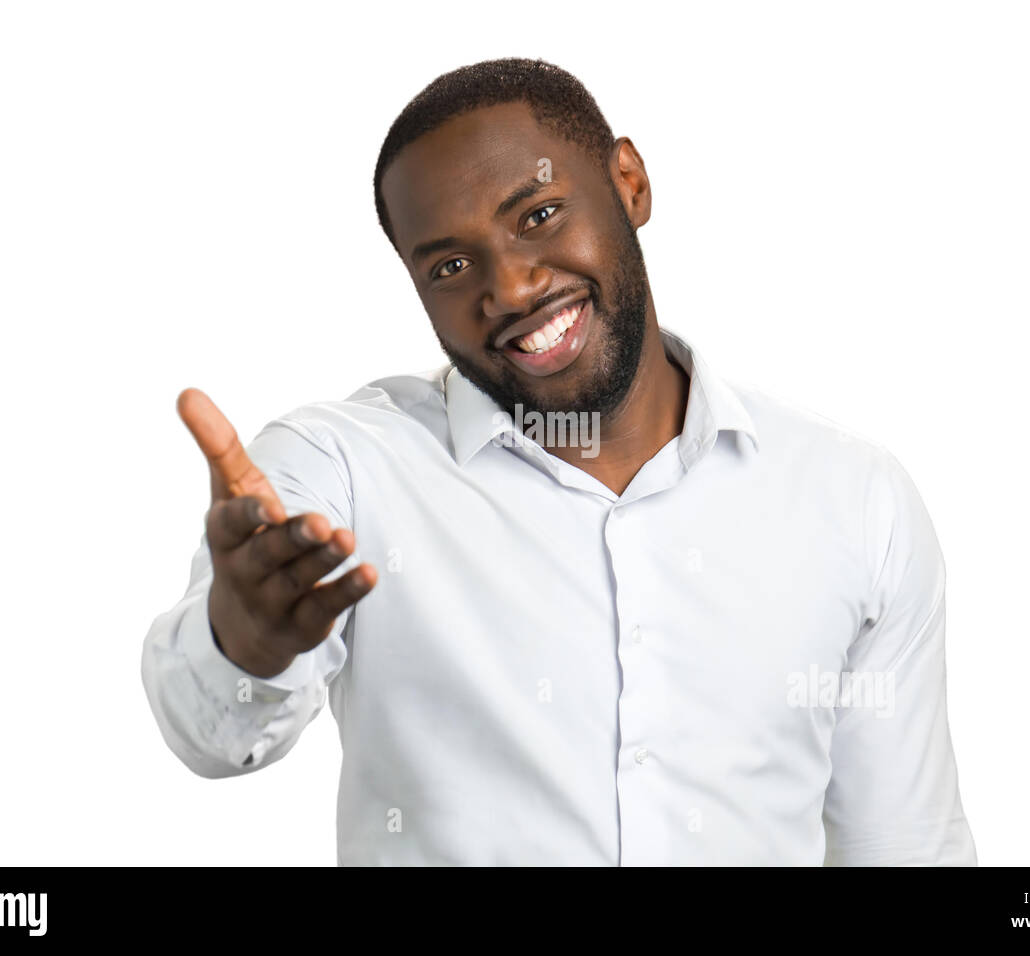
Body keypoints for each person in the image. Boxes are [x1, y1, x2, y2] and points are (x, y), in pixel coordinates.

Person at [141, 57, 978, 866]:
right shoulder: (344, 472)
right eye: (452, 265)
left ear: (629, 183)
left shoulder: (853, 499)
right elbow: (210, 733)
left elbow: (903, 849)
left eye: (537, 214)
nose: (509, 288)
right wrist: (244, 641)